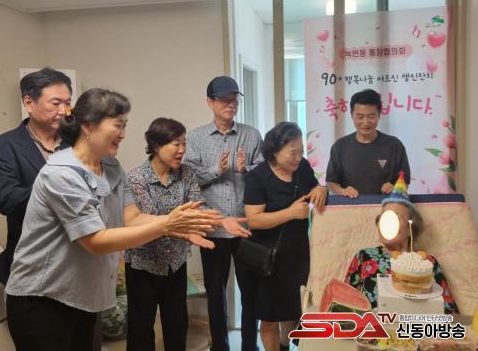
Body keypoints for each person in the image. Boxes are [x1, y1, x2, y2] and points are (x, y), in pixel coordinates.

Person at [5, 88, 222, 351]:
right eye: (118, 125)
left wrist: (179, 225)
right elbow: (95, 241)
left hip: (83, 295)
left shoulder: (111, 167)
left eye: (125, 126)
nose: (123, 134)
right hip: (42, 299)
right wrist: (167, 224)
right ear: (88, 126)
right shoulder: (61, 174)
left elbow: (131, 217)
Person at [124, 117, 251, 351]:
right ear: (156, 145)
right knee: (141, 330)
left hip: (175, 263)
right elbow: (150, 220)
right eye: (176, 144)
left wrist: (221, 220)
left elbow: (196, 206)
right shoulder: (137, 178)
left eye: (184, 143)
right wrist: (185, 230)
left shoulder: (187, 174)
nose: (182, 150)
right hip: (144, 264)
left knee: (177, 326)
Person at [184, 75, 263, 351]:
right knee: (216, 294)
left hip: (245, 227)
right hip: (213, 227)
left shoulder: (251, 135)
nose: (231, 104)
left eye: (234, 99)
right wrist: (217, 170)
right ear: (210, 102)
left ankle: (250, 346)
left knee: (250, 292)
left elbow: (264, 175)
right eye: (224, 100)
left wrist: (245, 170)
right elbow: (188, 181)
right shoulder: (195, 138)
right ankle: (220, 346)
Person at [244, 122, 327, 351]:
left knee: (292, 309)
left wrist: (321, 189)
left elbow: (314, 188)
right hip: (268, 259)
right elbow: (254, 219)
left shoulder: (303, 168)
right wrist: (290, 213)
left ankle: (284, 345)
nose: (298, 157)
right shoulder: (258, 177)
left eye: (301, 151)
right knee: (270, 316)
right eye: (293, 152)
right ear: (274, 150)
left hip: (297, 254)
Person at [0, 67, 72, 284]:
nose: (64, 111)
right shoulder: (4, 146)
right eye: (55, 103)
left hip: (76, 261)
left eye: (68, 103)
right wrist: (57, 184)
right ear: (29, 103)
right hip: (30, 264)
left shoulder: (76, 143)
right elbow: (7, 200)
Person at [345, 172, 458, 314]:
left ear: (411, 228)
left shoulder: (428, 263)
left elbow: (449, 313)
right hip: (371, 326)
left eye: (394, 218)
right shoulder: (364, 256)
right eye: (384, 218)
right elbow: (343, 306)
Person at [325, 88, 410, 198]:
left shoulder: (394, 145)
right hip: (350, 206)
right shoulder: (339, 147)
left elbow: (404, 182)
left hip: (386, 206)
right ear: (352, 115)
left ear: (379, 115)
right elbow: (331, 182)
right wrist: (342, 191)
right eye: (360, 117)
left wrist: (395, 188)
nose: (365, 122)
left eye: (371, 116)